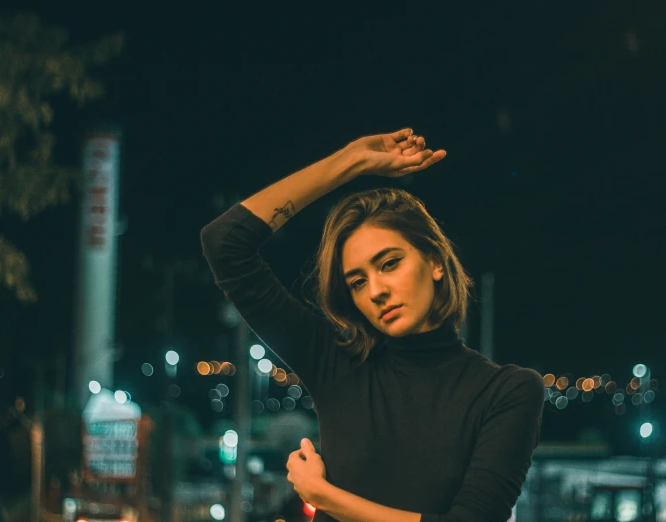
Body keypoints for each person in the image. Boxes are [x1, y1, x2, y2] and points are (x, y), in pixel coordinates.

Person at [201, 128, 545, 522]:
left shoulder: (507, 392)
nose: (376, 290)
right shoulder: (336, 362)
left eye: (389, 263)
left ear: (434, 262)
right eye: (358, 281)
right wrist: (349, 163)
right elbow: (224, 243)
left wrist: (324, 496)